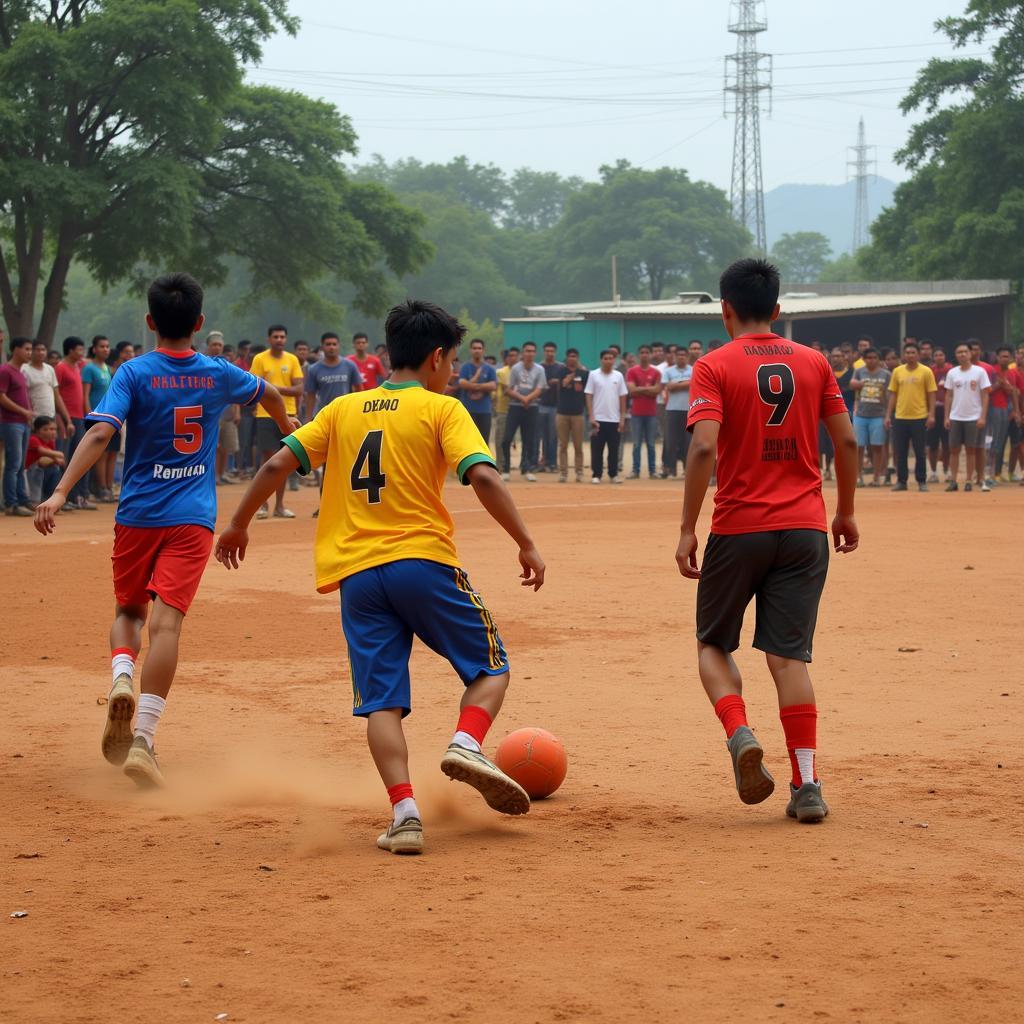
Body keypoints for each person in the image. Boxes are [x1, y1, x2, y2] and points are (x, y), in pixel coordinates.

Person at [214, 298, 545, 855]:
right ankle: (466, 742)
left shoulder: (343, 408)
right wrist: (526, 542)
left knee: (382, 702)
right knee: (491, 670)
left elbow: (276, 464)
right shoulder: (443, 409)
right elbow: (482, 476)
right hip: (424, 563)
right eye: (453, 361)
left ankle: (405, 814)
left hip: (358, 576)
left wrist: (238, 525)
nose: (454, 371)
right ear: (437, 357)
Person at [33, 272, 293, 788]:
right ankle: (145, 741)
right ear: (198, 323)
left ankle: (122, 675)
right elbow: (270, 393)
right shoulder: (219, 372)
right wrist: (290, 433)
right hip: (193, 518)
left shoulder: (133, 372)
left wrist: (61, 492)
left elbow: (103, 431)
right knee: (168, 626)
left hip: (137, 516)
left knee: (129, 611)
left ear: (151, 322)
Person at [675, 257, 858, 825]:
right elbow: (847, 442)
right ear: (778, 310)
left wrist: (687, 526)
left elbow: (704, 447)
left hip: (739, 526)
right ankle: (807, 783)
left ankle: (739, 732)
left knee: (713, 644)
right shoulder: (814, 363)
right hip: (805, 527)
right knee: (788, 657)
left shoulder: (712, 365)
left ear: (725, 310)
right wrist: (845, 510)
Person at [249, 325, 304, 518]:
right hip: (265, 415)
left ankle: (280, 506)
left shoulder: (293, 359)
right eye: (275, 336)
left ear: (286, 339)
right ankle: (262, 505)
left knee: (284, 461)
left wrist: (271, 389)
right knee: (267, 461)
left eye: (282, 336)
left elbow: (299, 389)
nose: (279, 339)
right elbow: (254, 387)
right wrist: (272, 390)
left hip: (289, 414)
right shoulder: (259, 359)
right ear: (269, 339)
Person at [885, 341, 936, 492]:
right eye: (907, 353)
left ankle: (921, 481)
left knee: (920, 451)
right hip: (900, 417)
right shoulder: (897, 371)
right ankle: (902, 481)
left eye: (913, 353)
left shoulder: (926, 371)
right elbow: (893, 395)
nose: (910, 355)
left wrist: (931, 415)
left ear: (918, 355)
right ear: (903, 355)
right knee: (900, 451)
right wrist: (888, 415)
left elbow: (931, 394)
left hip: (919, 416)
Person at [944, 342, 990, 492]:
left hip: (973, 416)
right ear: (956, 355)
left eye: (965, 351)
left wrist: (982, 416)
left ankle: (969, 480)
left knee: (971, 450)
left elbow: (985, 395)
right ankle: (953, 480)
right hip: (956, 416)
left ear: (970, 354)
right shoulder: (952, 373)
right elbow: (949, 395)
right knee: (954, 450)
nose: (962, 354)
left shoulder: (980, 372)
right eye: (959, 352)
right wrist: (946, 417)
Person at [55, 336, 95, 510]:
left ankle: (79, 496)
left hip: (79, 417)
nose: (82, 353)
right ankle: (63, 497)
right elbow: (56, 395)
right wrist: (64, 418)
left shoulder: (79, 367)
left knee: (79, 456)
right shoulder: (61, 368)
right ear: (70, 350)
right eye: (79, 349)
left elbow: (91, 361)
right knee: (64, 457)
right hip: (66, 418)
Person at [0, 337, 36, 516]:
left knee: (20, 464)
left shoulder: (20, 372)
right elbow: (2, 397)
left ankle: (23, 499)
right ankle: (11, 503)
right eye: (27, 349)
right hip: (11, 422)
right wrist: (23, 411)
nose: (30, 353)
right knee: (13, 463)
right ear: (15, 349)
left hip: (22, 422)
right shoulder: (6, 370)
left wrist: (27, 413)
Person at [501, 341, 545, 482]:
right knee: (506, 439)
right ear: (522, 353)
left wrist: (528, 399)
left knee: (529, 440)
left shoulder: (540, 369)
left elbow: (539, 389)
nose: (530, 354)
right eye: (527, 351)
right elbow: (508, 389)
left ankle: (527, 469)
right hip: (515, 407)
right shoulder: (515, 369)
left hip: (532, 408)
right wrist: (522, 398)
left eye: (532, 351)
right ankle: (506, 469)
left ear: (535, 353)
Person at [584, 349, 627, 484]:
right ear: (601, 360)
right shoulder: (593, 375)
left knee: (613, 449)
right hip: (598, 420)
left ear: (614, 360)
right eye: (605, 358)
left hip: (614, 420)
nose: (608, 361)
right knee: (597, 449)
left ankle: (613, 474)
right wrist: (591, 416)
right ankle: (596, 474)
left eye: (611, 358)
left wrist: (622, 419)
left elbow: (622, 398)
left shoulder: (618, 376)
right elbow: (589, 395)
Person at [82, 335, 115, 502]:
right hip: (97, 416)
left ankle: (109, 488)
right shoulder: (89, 368)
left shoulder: (106, 368)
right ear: (94, 349)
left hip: (111, 416)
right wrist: (90, 416)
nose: (105, 349)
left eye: (107, 346)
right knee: (101, 454)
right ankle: (101, 489)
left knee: (111, 453)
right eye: (102, 346)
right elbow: (85, 394)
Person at [850, 348, 890, 487]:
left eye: (874, 357)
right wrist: (858, 384)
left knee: (877, 447)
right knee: (858, 447)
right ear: (864, 359)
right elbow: (851, 384)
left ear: (878, 359)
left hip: (879, 415)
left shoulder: (886, 374)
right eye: (869, 358)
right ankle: (858, 476)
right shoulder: (859, 371)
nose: (871, 360)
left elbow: (890, 395)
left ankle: (876, 477)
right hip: (861, 414)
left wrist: (887, 415)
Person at [304, 331, 363, 421]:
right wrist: (308, 419)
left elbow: (359, 390)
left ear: (338, 346)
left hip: (345, 414)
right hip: (323, 415)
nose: (331, 347)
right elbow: (310, 396)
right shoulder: (314, 369)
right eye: (328, 344)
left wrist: (359, 411)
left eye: (334, 344)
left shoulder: (350, 365)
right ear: (322, 347)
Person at [626, 345, 661, 479]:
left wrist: (639, 389)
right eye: (642, 352)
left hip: (651, 413)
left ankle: (652, 471)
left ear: (650, 354)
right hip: (636, 413)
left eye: (647, 352)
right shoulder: (632, 371)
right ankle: (636, 470)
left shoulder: (656, 372)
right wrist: (648, 389)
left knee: (651, 444)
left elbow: (657, 391)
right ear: (638, 355)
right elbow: (632, 390)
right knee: (636, 444)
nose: (645, 355)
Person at [555, 348, 588, 483]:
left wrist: (580, 370)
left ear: (578, 357)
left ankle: (579, 472)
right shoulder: (561, 371)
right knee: (563, 445)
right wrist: (572, 375)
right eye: (570, 356)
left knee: (578, 445)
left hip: (578, 414)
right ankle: (563, 473)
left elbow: (587, 389)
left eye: (575, 356)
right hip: (562, 413)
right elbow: (563, 384)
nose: (572, 358)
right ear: (567, 358)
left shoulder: (584, 373)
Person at [458, 338, 498, 446]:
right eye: (474, 348)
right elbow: (462, 383)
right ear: (470, 350)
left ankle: (483, 463)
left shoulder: (489, 369)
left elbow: (493, 385)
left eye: (479, 348)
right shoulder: (465, 367)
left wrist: (474, 386)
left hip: (485, 410)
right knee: (467, 442)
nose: (477, 350)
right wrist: (483, 387)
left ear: (483, 350)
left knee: (484, 442)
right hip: (468, 410)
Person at [662, 347, 692, 478]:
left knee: (688, 441)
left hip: (689, 410)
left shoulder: (694, 369)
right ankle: (671, 470)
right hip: (672, 410)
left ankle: (687, 470)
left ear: (687, 356)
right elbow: (668, 387)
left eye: (683, 355)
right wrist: (687, 383)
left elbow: (694, 383)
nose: (681, 357)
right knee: (671, 441)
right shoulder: (668, 371)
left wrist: (676, 384)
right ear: (675, 356)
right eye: (679, 355)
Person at [987, 346, 1016, 483]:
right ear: (997, 357)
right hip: (993, 408)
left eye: (1007, 356)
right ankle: (987, 473)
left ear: (1011, 358)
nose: (1005, 359)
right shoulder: (992, 371)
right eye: (1002, 356)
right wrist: (999, 384)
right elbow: (987, 391)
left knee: (1000, 442)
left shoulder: (1011, 373)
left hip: (1006, 409)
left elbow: (1013, 391)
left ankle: (994, 473)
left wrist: (1015, 410)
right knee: (991, 441)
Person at [26, 415, 66, 506]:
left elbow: (53, 458)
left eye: (53, 429)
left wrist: (55, 459)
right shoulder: (33, 439)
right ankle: (34, 500)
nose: (51, 432)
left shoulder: (50, 442)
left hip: (40, 471)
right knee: (42, 467)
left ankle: (51, 499)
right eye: (46, 429)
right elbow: (43, 453)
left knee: (55, 470)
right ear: (37, 431)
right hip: (29, 472)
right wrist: (59, 455)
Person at [536, 342, 563, 472]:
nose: (549, 353)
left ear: (555, 352)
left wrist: (559, 382)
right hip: (541, 404)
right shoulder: (539, 367)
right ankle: (543, 461)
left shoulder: (560, 367)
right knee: (541, 435)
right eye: (547, 351)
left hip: (555, 406)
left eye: (552, 351)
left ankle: (552, 463)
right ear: (543, 352)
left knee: (553, 436)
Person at [927, 347, 952, 483]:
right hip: (932, 411)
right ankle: (933, 472)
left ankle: (947, 471)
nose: (938, 357)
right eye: (936, 355)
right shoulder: (929, 371)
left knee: (947, 444)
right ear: (933, 357)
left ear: (945, 356)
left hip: (947, 411)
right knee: (933, 445)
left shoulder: (951, 370)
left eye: (941, 354)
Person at [493, 347, 516, 473]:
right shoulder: (501, 372)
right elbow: (506, 390)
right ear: (506, 358)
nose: (512, 358)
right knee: (500, 439)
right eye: (510, 356)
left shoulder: (520, 371)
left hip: (518, 409)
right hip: (503, 409)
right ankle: (500, 465)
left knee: (512, 440)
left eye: (515, 356)